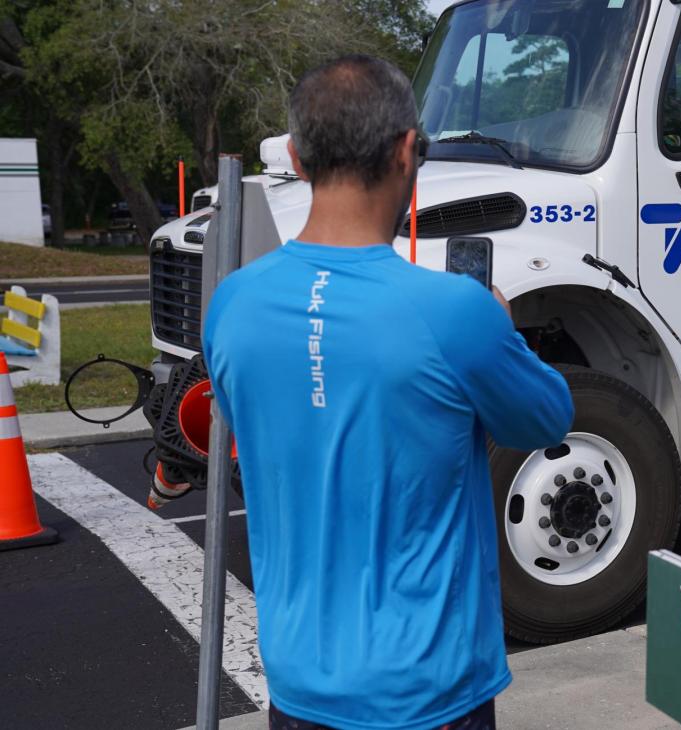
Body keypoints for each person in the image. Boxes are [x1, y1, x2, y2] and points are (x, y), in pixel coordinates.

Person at [202, 55, 574, 730]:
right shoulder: (456, 311)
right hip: (428, 691)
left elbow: (265, 424)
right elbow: (548, 418)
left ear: (294, 155)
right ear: (407, 151)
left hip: (295, 684)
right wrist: (504, 330)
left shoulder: (232, 306)